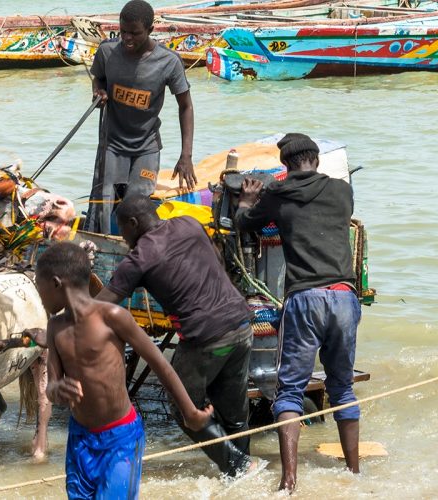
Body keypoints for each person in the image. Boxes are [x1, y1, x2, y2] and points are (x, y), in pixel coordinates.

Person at [94, 194, 260, 477]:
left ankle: (239, 466)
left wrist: (63, 317)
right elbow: (216, 259)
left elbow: (100, 305)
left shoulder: (139, 257)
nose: (122, 237)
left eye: (122, 229)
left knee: (185, 410)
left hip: (205, 340)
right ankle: (243, 474)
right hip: (241, 327)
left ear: (133, 223)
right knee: (234, 414)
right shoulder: (189, 224)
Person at [234, 133, 361, 492]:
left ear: (286, 166)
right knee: (342, 386)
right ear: (316, 161)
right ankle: (354, 472)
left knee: (289, 390)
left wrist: (246, 200)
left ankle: (289, 481)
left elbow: (246, 223)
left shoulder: (277, 193)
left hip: (305, 299)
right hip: (344, 296)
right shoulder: (341, 191)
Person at [36, 242, 212, 499]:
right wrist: (57, 389)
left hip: (120, 438)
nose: (38, 295)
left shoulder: (113, 316)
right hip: (80, 439)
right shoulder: (55, 327)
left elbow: (159, 363)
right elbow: (51, 385)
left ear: (55, 283)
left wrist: (190, 412)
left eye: (38, 286)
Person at [85, 0, 196, 234]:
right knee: (102, 205)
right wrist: (99, 91)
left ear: (150, 31)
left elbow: (185, 106)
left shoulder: (169, 62)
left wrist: (185, 156)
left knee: (137, 208)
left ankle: (141, 257)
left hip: (146, 147)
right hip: (112, 144)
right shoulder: (107, 51)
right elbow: (99, 79)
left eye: (134, 33)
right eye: (123, 31)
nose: (127, 38)